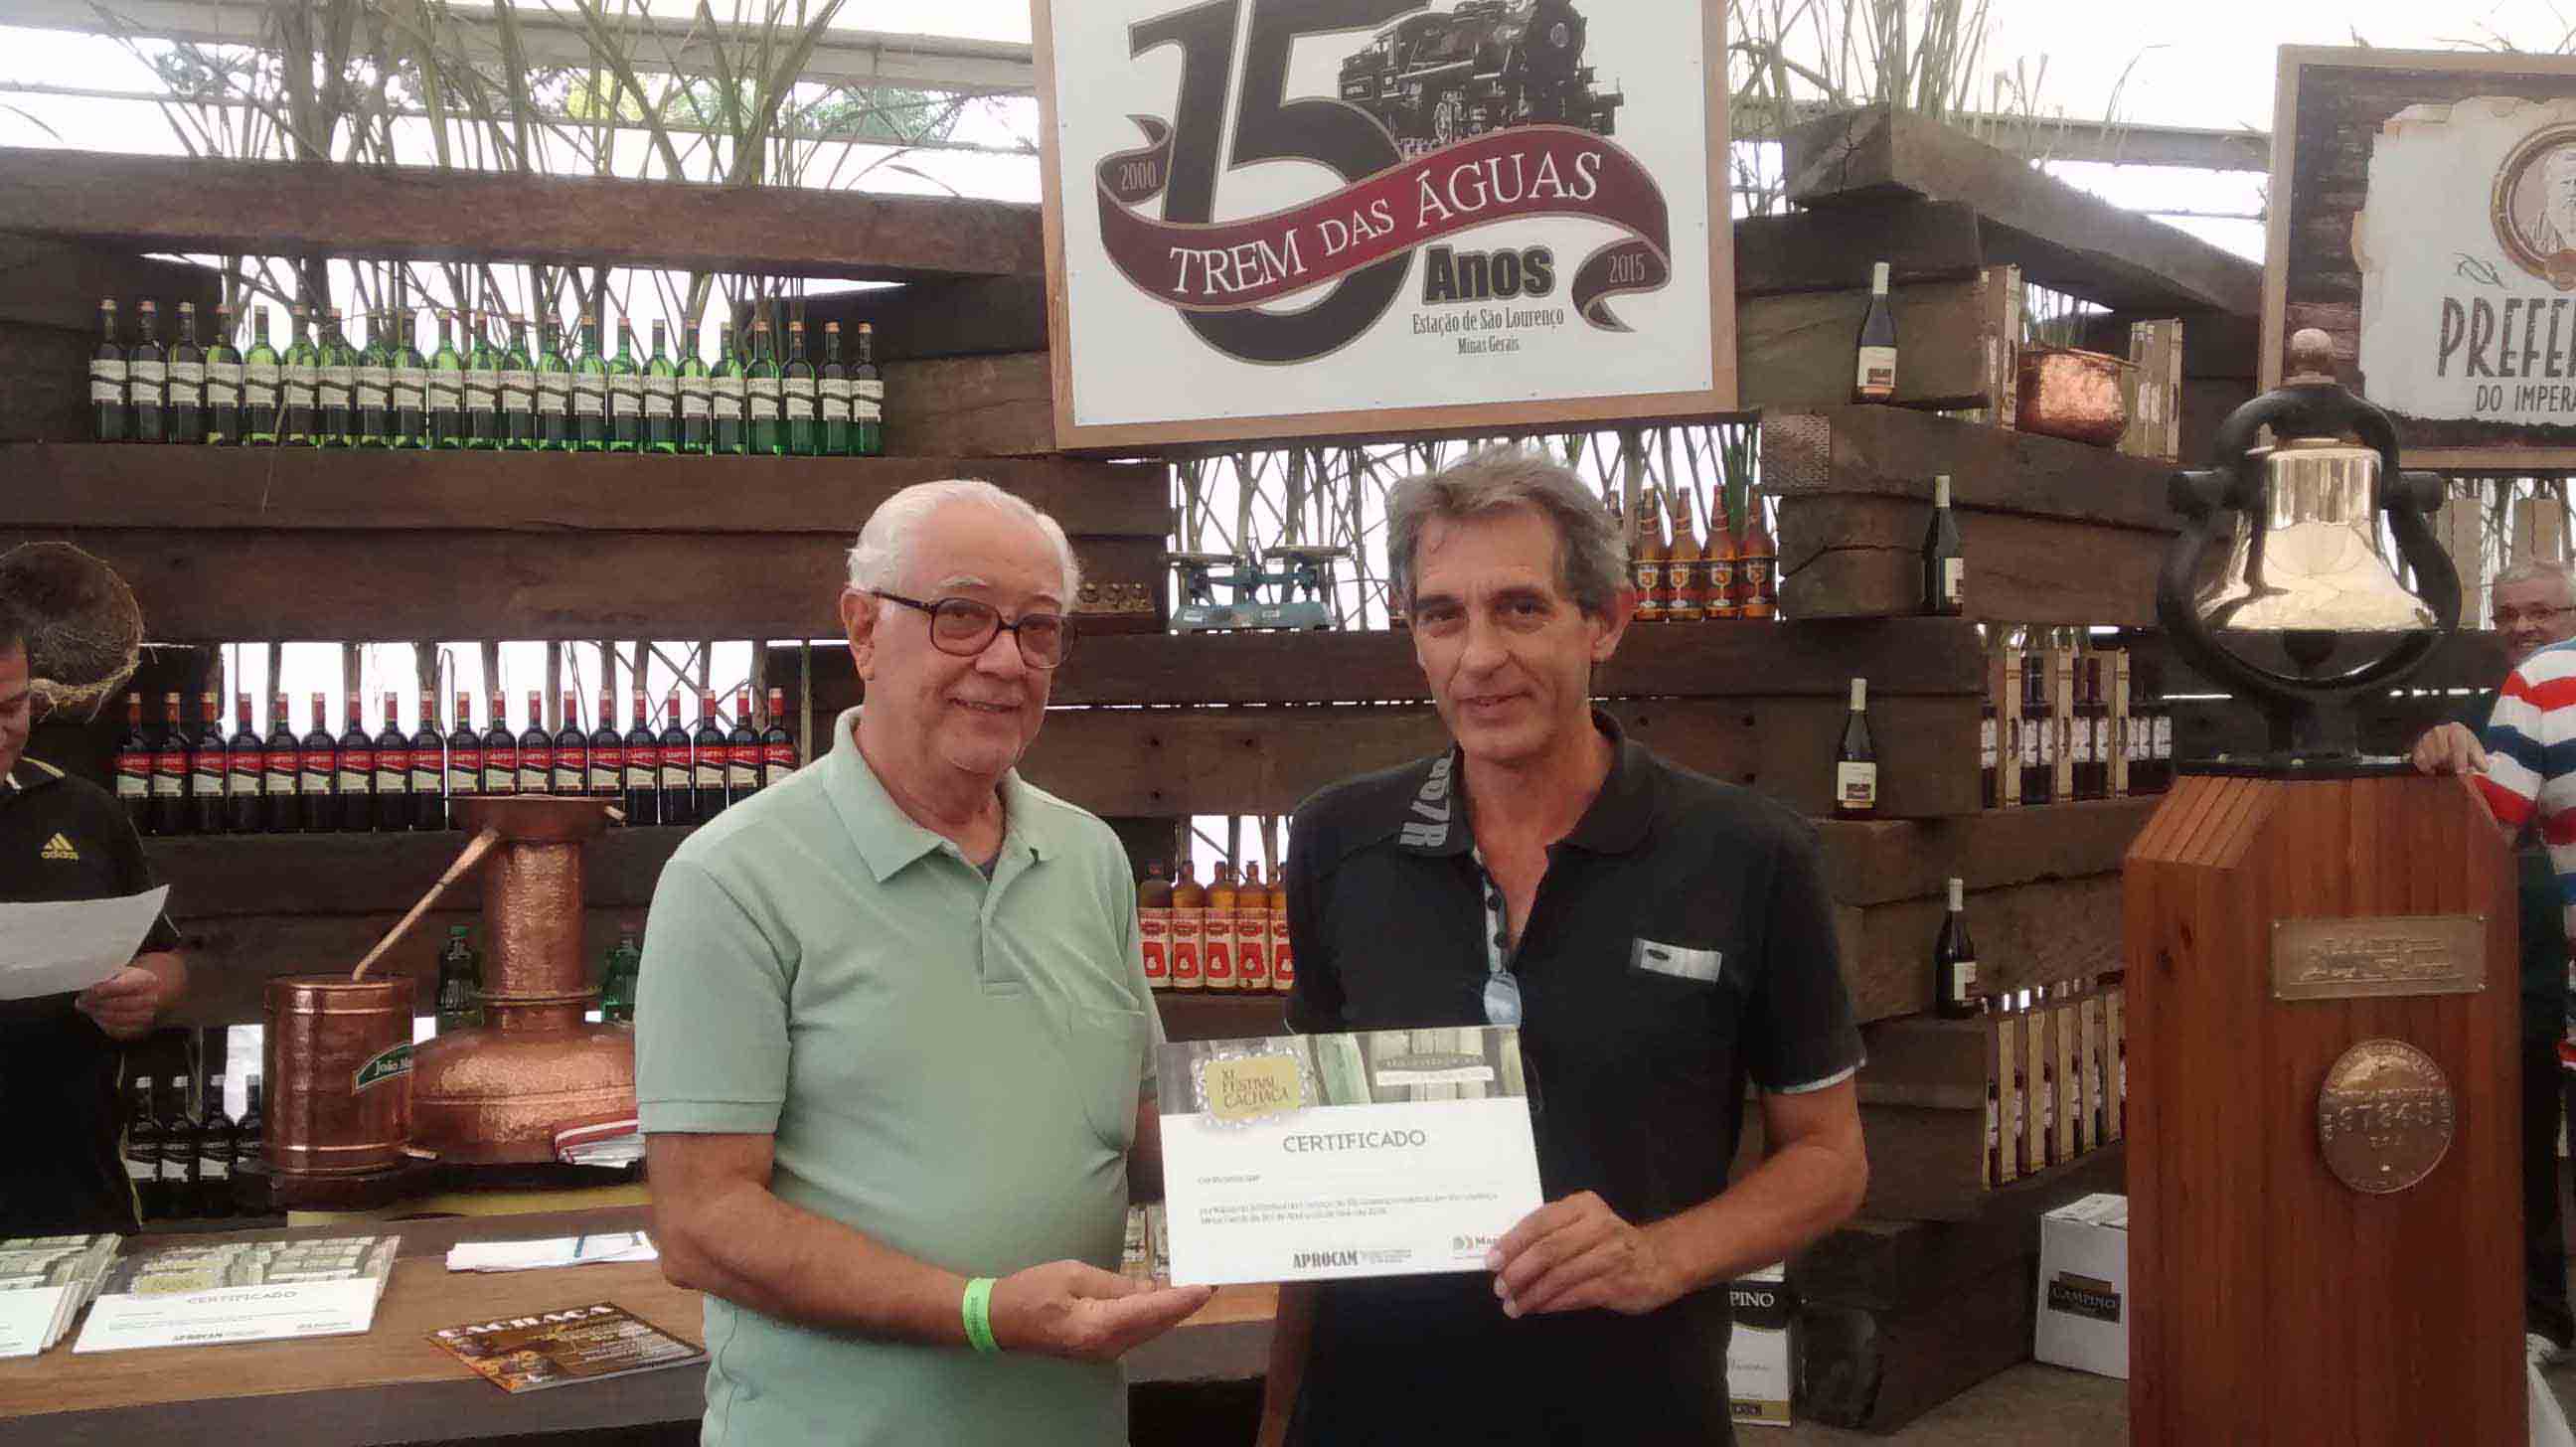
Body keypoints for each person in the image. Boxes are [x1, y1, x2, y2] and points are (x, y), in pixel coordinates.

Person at [1261, 449, 1868, 1446]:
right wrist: (1279, 1415)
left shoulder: (1748, 854)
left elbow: (1830, 1156)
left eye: (1520, 608)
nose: (1478, 656)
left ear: (1607, 622)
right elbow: (1311, 1158)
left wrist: (1660, 1255)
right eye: (1441, 615)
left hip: (1636, 1412)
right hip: (1369, 1410)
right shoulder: (1339, 842)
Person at [636, 479, 1211, 1445]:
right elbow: (701, 1224)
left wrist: (1360, 1172)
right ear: (863, 630)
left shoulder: (1089, 859)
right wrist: (982, 1310)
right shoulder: (731, 879)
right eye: (962, 615)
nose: (1006, 659)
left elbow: (1143, 1126)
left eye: (1037, 628)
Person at [2422, 560, 2576, 1365]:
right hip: (2522, 963)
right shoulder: (2510, 699)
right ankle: (2543, 1314)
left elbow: (2492, 826)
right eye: (2508, 614)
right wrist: (2443, 747)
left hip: (2554, 958)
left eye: (2541, 611)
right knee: (2525, 1137)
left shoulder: (2540, 689)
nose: (2523, 627)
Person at [0, 599, 187, 1236]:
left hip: (75, 1193)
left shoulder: (81, 811)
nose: (2, 732)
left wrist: (148, 990)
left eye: (12, 708)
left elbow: (163, 956)